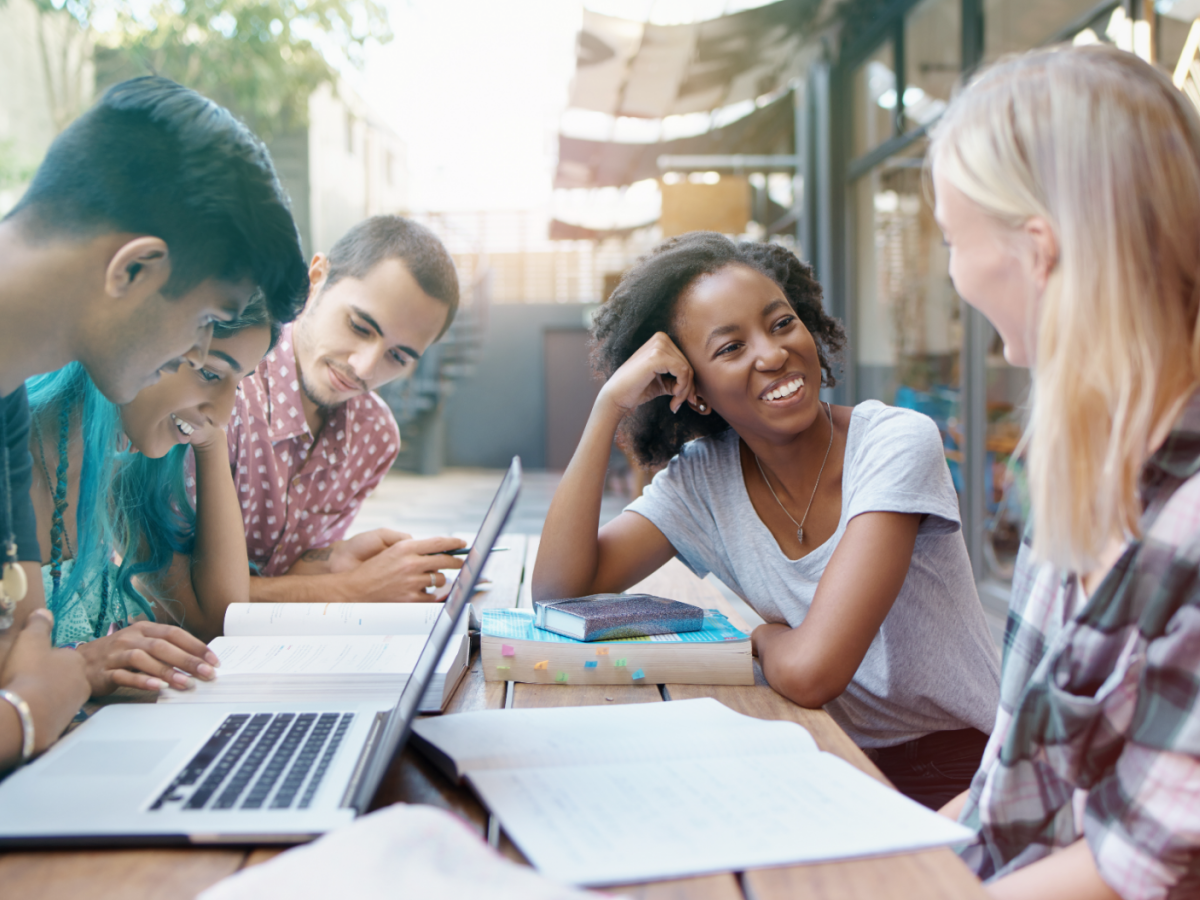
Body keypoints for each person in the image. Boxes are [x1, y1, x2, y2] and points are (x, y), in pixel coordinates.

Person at [532, 232, 1000, 809]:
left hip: (955, 764)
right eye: (730, 348)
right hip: (827, 749)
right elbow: (560, 589)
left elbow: (811, 673)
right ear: (692, 389)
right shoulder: (704, 480)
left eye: (781, 324)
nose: (772, 353)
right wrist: (608, 406)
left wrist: (755, 636)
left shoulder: (894, 442)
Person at [931, 44, 1200, 900]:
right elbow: (1010, 803)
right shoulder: (1091, 462)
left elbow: (1137, 869)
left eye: (951, 238)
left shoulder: (1186, 519)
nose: (952, 271)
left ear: (1037, 250)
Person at [0, 75, 307, 769]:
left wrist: (43, 689)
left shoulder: (7, 407)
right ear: (134, 269)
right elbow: (32, 691)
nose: (192, 356)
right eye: (202, 327)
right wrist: (26, 713)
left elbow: (25, 659)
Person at [28, 299, 275, 695]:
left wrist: (209, 439)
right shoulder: (15, 449)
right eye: (211, 373)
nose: (226, 412)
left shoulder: (119, 472)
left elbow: (215, 620)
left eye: (240, 383)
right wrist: (80, 665)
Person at [226, 215, 469, 605]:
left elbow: (285, 574)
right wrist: (351, 589)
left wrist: (335, 557)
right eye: (359, 326)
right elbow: (169, 596)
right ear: (317, 277)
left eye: (398, 356)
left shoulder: (375, 435)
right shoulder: (227, 390)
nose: (365, 368)